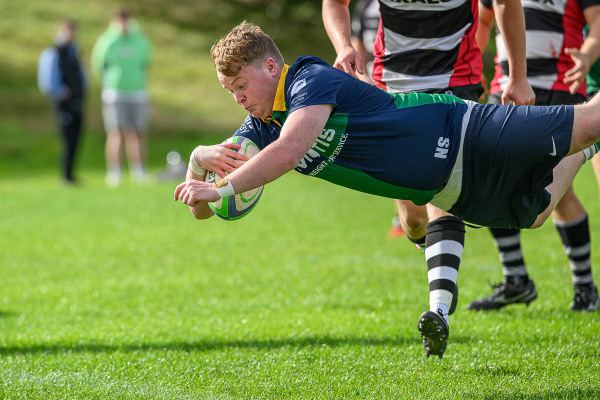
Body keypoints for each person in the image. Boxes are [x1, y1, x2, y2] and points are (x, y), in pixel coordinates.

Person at [174, 22, 600, 358]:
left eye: (241, 87)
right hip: (446, 187)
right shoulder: (260, 127)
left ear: (270, 68)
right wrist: (199, 161)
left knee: (589, 122)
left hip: (462, 132)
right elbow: (208, 209)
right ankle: (587, 151)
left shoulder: (309, 79)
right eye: (230, 92)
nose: (238, 100)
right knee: (537, 210)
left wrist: (223, 187)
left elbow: (291, 151)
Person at [322, 0, 534, 333]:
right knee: (413, 219)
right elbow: (334, 3)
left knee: (441, 194)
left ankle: (438, 310)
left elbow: (507, 3)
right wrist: (344, 45)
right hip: (393, 88)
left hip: (455, 83)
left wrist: (517, 76)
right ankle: (437, 262)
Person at [468, 0, 600, 312]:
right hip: (506, 90)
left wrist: (588, 54)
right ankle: (516, 280)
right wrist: (471, 63)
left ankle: (585, 287)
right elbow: (483, 22)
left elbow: (597, 23)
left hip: (559, 90)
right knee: (491, 180)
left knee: (556, 191)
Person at [91, 7, 152, 187]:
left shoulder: (140, 40)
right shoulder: (107, 41)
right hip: (115, 93)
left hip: (138, 92)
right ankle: (115, 172)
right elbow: (99, 65)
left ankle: (139, 170)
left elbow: (145, 63)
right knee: (116, 132)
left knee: (138, 133)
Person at [37, 19, 86, 185]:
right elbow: (46, 81)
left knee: (76, 138)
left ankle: (71, 174)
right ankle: (65, 175)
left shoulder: (74, 52)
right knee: (67, 138)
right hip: (62, 103)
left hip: (77, 101)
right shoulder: (53, 52)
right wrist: (61, 91)